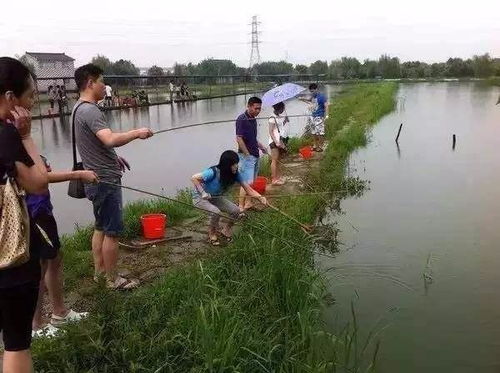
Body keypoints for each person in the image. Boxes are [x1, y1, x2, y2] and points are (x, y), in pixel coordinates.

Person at [72, 64, 154, 290]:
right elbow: (108, 139)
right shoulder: (90, 110)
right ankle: (113, 279)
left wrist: (113, 156)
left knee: (100, 226)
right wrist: (137, 132)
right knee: (112, 232)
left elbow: (95, 143)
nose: (104, 86)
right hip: (105, 180)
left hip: (95, 177)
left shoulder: (78, 109)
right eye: (101, 81)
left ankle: (100, 273)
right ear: (90, 83)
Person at [0, 56, 49, 373]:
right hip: (8, 258)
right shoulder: (5, 136)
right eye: (30, 96)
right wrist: (26, 136)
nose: (32, 103)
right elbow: (38, 184)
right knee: (16, 343)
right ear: (9, 98)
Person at [28, 156, 98, 337]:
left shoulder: (22, 140)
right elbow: (38, 178)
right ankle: (36, 325)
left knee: (55, 258)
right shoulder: (10, 140)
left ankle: (59, 313)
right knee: (39, 266)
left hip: (42, 208)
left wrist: (41, 162)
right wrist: (78, 174)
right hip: (33, 212)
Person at [191, 150, 267, 246]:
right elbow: (194, 178)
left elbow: (249, 190)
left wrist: (260, 198)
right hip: (200, 198)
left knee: (236, 210)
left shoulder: (235, 174)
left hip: (215, 197)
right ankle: (212, 234)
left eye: (236, 164)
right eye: (234, 164)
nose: (236, 166)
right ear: (226, 165)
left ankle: (225, 230)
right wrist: (203, 193)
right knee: (215, 211)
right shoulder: (212, 172)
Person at [235, 96, 268, 211]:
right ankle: (240, 207)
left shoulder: (253, 119)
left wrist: (261, 146)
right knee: (245, 182)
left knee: (252, 181)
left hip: (255, 154)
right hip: (246, 156)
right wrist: (247, 154)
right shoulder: (241, 119)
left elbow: (253, 138)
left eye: (259, 109)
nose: (258, 111)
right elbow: (239, 139)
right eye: (256, 108)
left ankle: (248, 203)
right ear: (249, 106)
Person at [268, 102, 289, 185]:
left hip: (280, 140)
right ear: (279, 108)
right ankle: (274, 179)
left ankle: (278, 177)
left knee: (279, 160)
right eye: (282, 108)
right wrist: (276, 142)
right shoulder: (272, 117)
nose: (283, 109)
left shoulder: (279, 116)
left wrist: (285, 120)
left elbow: (281, 126)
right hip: (274, 142)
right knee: (274, 160)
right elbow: (270, 131)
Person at [307, 83, 329, 152]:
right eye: (311, 91)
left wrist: (327, 115)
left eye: (313, 91)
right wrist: (301, 99)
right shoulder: (312, 97)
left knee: (320, 132)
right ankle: (315, 145)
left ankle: (321, 146)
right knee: (313, 132)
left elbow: (326, 106)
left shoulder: (321, 97)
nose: (312, 92)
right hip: (312, 116)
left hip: (319, 117)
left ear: (316, 89)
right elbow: (309, 101)